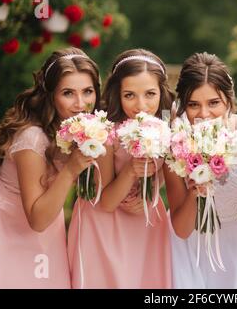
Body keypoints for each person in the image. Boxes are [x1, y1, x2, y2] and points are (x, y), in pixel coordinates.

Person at [0, 47, 100, 288]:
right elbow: (37, 220)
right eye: (68, 93)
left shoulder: (82, 128)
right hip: (10, 221)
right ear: (50, 95)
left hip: (47, 211)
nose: (81, 103)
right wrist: (71, 169)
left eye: (88, 91)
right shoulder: (32, 137)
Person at [68, 49, 174, 288]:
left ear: (161, 92)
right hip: (105, 224)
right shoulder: (106, 133)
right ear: (117, 94)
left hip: (146, 221)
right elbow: (105, 202)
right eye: (129, 95)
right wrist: (130, 171)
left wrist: (153, 186)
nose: (141, 105)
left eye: (150, 94)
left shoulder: (167, 126)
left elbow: (162, 174)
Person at [164, 52, 237, 288]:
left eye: (213, 103)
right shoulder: (176, 144)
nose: (204, 114)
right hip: (193, 249)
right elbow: (180, 228)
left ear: (229, 101)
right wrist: (195, 191)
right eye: (193, 105)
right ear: (183, 105)